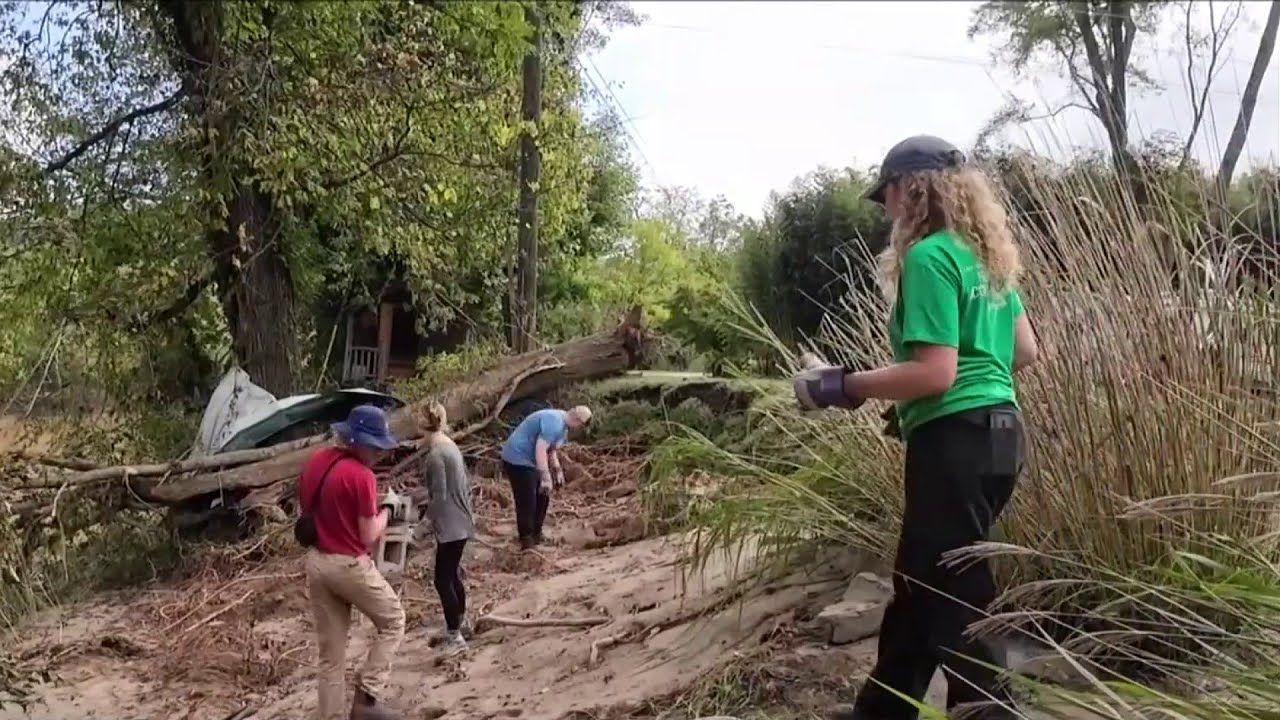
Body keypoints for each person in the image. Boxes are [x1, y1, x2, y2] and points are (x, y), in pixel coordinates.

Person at [793, 135, 1040, 720]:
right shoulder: (987, 258)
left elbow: (935, 372)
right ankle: (882, 710)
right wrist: (944, 392)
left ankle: (989, 711)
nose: (885, 209)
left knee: (957, 585)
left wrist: (841, 386)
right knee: (921, 583)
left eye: (886, 196)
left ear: (910, 190)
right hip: (1003, 436)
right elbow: (1025, 351)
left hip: (954, 442)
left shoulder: (929, 256)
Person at [297, 404, 407, 720]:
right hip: (348, 563)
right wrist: (388, 511)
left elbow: (307, 505)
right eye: (373, 446)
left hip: (317, 561)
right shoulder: (361, 476)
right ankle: (367, 697)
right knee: (394, 620)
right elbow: (368, 533)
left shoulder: (316, 462)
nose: (377, 453)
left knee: (331, 657)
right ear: (355, 441)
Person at [416, 401, 475, 656]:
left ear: (421, 425)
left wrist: (421, 528)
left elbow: (439, 498)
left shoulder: (436, 455)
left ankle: (455, 634)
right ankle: (461, 623)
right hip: (462, 518)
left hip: (450, 524)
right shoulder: (449, 445)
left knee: (442, 579)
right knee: (451, 575)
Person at [499, 405, 593, 549]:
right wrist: (545, 476)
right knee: (527, 499)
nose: (579, 428)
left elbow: (551, 450)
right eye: (581, 425)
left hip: (532, 460)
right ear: (577, 420)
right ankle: (526, 538)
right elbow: (541, 449)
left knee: (543, 495)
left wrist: (557, 470)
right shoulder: (554, 421)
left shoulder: (563, 427)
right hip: (517, 458)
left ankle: (537, 533)